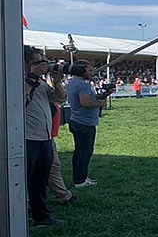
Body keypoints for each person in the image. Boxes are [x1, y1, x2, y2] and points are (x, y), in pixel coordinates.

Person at [23, 46, 67, 225]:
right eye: (37, 62)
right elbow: (19, 103)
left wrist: (57, 82)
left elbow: (59, 99)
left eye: (43, 61)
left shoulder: (41, 83)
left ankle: (41, 215)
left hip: (44, 138)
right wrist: (31, 77)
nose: (43, 65)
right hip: (26, 138)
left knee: (40, 180)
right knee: (23, 180)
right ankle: (20, 219)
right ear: (25, 64)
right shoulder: (16, 81)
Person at [67, 59, 114, 188]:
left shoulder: (73, 83)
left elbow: (86, 99)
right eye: (89, 69)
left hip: (77, 121)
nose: (92, 72)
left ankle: (78, 177)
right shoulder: (83, 85)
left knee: (79, 151)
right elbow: (86, 103)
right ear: (81, 69)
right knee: (85, 152)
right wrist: (100, 103)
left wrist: (102, 96)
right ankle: (81, 180)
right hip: (84, 123)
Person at [48, 101, 78, 204]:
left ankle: (63, 195)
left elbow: (61, 97)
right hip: (37, 136)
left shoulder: (45, 89)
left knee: (53, 166)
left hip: (47, 136)